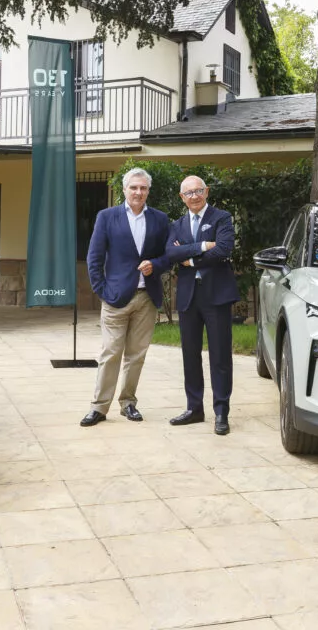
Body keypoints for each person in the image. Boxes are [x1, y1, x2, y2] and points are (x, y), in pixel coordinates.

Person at [81, 168, 171, 427]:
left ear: (148, 191)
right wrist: (102, 290)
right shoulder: (106, 217)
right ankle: (99, 407)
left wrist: (155, 264)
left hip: (147, 298)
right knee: (110, 352)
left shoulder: (159, 219)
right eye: (134, 187)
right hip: (115, 297)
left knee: (136, 354)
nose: (138, 192)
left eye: (143, 188)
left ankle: (128, 402)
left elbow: (168, 256)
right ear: (124, 189)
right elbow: (94, 257)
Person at [165, 175, 237, 435]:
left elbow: (224, 249)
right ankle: (194, 408)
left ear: (206, 192)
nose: (194, 196)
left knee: (219, 356)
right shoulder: (178, 224)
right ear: (182, 197)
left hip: (216, 296)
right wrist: (203, 245)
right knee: (190, 355)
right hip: (188, 297)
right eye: (188, 193)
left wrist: (191, 258)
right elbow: (171, 254)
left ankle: (221, 412)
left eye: (198, 191)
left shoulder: (221, 217)